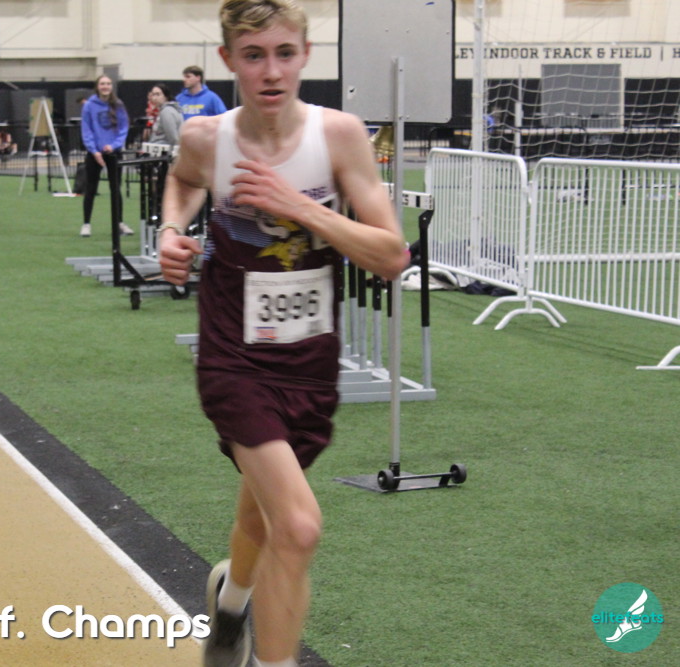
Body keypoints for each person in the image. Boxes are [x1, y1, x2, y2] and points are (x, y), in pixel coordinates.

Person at [157, 2, 409, 666]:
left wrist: (300, 206)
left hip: (309, 362)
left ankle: (231, 602)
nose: (271, 71)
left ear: (306, 54)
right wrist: (170, 231)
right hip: (233, 357)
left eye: (284, 53)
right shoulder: (208, 138)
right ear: (228, 61)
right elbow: (181, 182)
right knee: (296, 526)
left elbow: (391, 256)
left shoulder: (339, 137)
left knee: (260, 514)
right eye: (253, 55)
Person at [80, 74, 132, 238]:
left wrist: (114, 146)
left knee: (115, 189)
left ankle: (119, 223)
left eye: (108, 84)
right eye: (102, 84)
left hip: (113, 153)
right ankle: (86, 224)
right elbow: (86, 129)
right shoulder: (89, 105)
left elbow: (123, 129)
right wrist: (94, 151)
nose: (105, 86)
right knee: (91, 188)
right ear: (97, 86)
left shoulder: (118, 104)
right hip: (94, 153)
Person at [146, 83, 184, 148]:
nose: (154, 98)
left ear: (166, 96)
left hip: (163, 151)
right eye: (153, 95)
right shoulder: (170, 110)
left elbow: (173, 138)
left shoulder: (166, 111)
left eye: (158, 94)